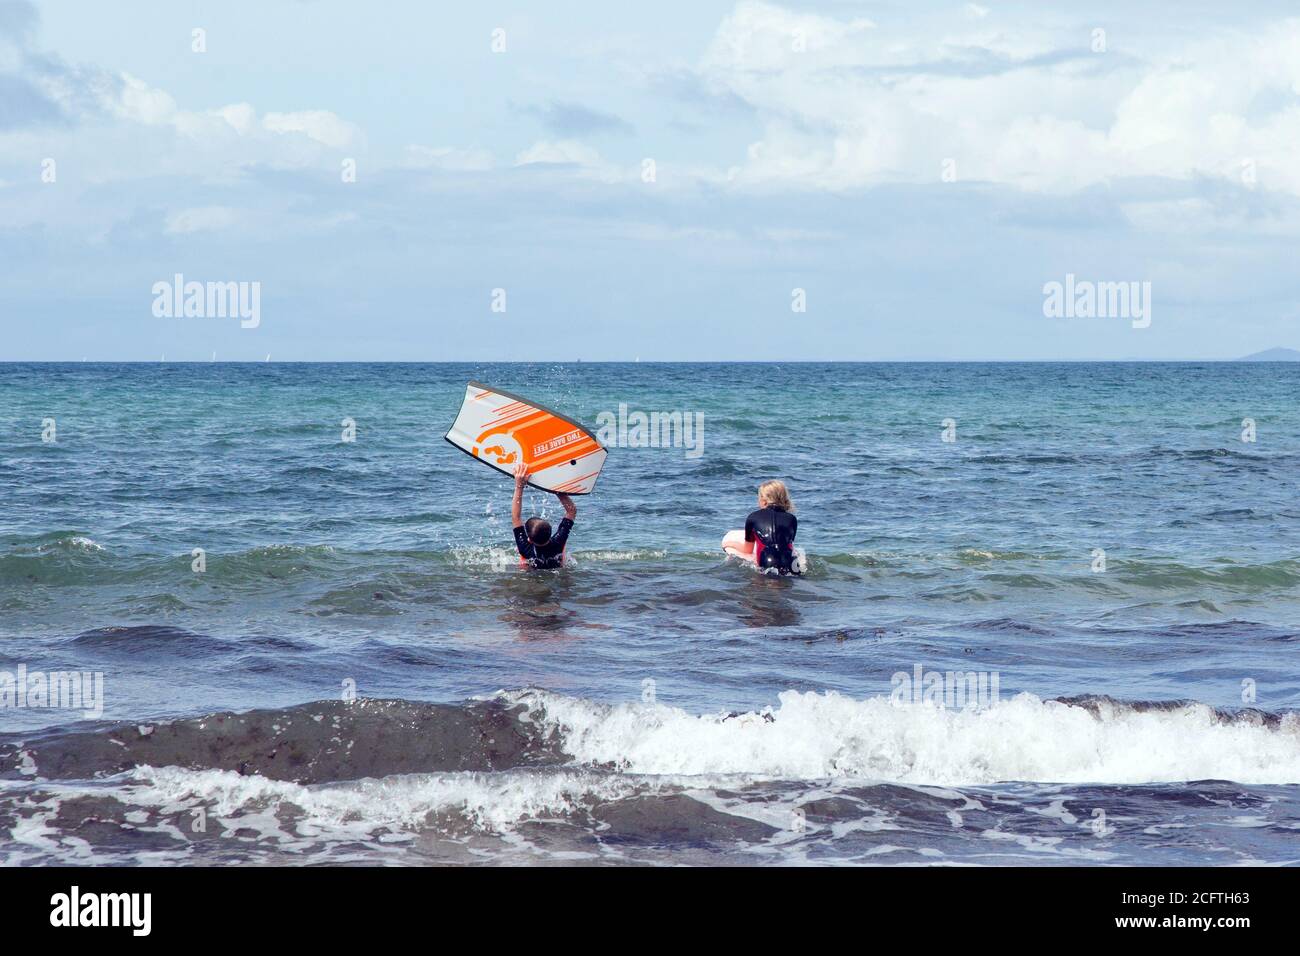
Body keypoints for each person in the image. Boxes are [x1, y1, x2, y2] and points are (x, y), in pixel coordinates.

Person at [721, 480, 801, 574]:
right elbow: (789, 545)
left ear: (764, 501)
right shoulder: (792, 519)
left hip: (767, 566)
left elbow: (748, 550)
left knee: (762, 586)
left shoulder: (753, 518)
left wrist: (731, 544)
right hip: (791, 565)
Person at [511, 462, 576, 569]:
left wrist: (519, 486)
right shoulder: (558, 542)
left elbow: (516, 517)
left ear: (529, 540)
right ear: (550, 535)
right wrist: (557, 490)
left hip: (531, 576)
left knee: (525, 565)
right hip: (556, 570)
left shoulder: (525, 548)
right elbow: (571, 511)